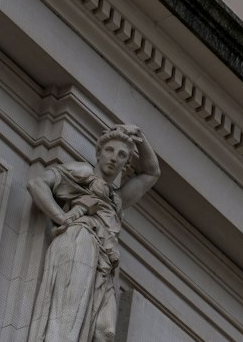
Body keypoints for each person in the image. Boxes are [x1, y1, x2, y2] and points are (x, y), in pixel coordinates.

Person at [26, 124, 160, 342]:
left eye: (122, 155)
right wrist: (62, 217)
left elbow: (152, 173)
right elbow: (36, 184)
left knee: (104, 331)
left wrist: (141, 138)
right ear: (99, 153)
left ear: (126, 163)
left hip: (104, 263)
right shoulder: (83, 173)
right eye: (109, 150)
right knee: (67, 320)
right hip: (80, 242)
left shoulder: (117, 199)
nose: (114, 157)